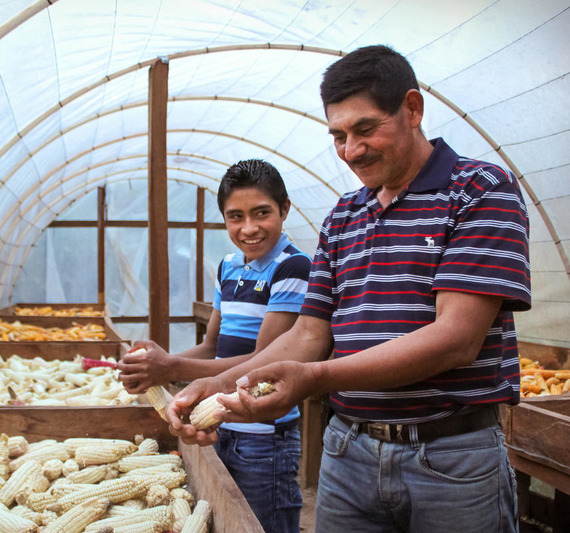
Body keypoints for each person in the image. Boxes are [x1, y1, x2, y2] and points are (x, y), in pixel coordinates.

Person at [167, 45, 531, 533]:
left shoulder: (479, 190)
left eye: (365, 129)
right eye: (338, 136)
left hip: (449, 457)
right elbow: (307, 336)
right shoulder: (344, 214)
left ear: (413, 109)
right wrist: (218, 384)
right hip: (347, 452)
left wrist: (314, 378)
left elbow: (457, 338)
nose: (350, 151)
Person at [117, 159, 312, 533]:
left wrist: (170, 368)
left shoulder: (293, 267)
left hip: (264, 437)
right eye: (235, 216)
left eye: (261, 213)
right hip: (221, 422)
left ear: (284, 209)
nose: (248, 228)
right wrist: (161, 361)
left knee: (261, 524)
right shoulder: (228, 267)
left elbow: (261, 364)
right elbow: (212, 346)